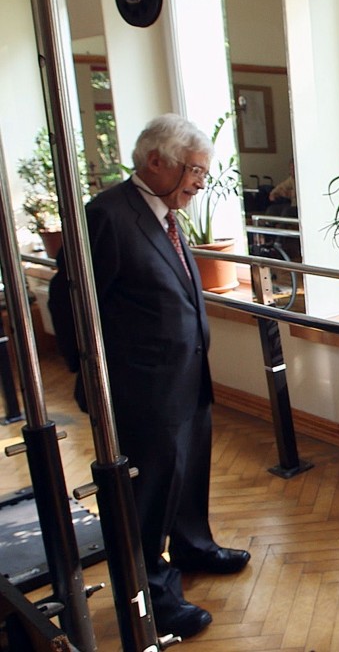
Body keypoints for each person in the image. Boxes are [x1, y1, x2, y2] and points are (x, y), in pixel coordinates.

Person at [48, 114, 250, 640]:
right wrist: (90, 376)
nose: (201, 183)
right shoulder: (108, 216)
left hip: (185, 379)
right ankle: (152, 595)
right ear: (155, 162)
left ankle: (193, 547)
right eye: (194, 171)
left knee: (187, 476)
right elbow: (67, 298)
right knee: (147, 496)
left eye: (204, 173)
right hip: (140, 390)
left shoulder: (162, 212)